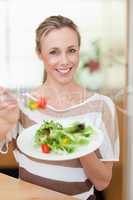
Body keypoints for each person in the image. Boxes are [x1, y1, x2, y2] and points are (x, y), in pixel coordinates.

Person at [0, 15, 119, 200]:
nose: (64, 61)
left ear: (79, 51)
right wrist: (4, 124)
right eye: (54, 52)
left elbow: (102, 182)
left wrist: (79, 145)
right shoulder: (23, 104)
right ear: (40, 53)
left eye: (71, 50)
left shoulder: (102, 106)